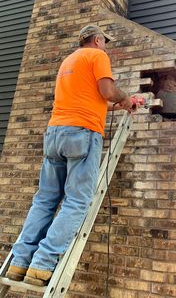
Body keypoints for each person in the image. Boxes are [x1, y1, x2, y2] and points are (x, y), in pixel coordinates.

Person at [6, 25, 136, 286]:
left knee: (44, 200)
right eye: (105, 42)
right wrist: (129, 100)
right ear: (98, 40)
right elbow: (108, 91)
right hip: (82, 134)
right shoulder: (97, 56)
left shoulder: (69, 61)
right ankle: (42, 264)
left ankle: (19, 264)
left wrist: (120, 105)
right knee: (77, 201)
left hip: (55, 134)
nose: (105, 46)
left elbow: (94, 100)